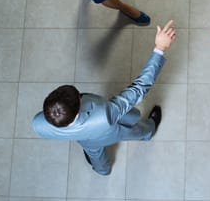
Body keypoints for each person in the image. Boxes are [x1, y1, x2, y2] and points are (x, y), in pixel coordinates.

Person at [32, 20, 176, 176]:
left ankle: (103, 170)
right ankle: (149, 132)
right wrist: (160, 48)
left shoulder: (39, 124)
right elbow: (139, 88)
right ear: (79, 102)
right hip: (111, 131)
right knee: (135, 131)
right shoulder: (104, 115)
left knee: (95, 153)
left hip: (87, 141)